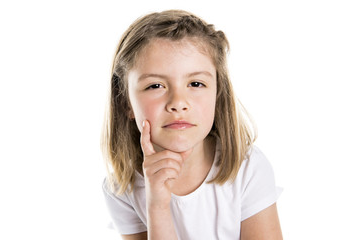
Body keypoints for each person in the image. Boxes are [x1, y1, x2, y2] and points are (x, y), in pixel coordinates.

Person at [101, 9, 283, 240]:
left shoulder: (247, 169)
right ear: (126, 101)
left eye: (195, 83)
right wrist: (157, 206)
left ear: (217, 95)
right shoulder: (121, 187)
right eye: (155, 86)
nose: (178, 103)